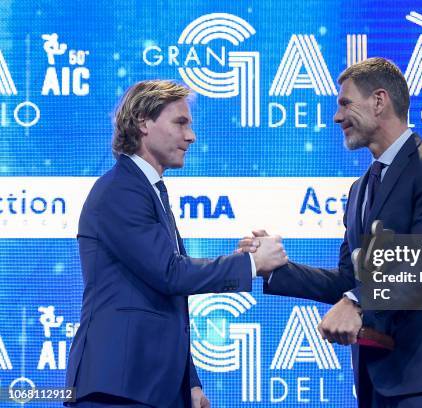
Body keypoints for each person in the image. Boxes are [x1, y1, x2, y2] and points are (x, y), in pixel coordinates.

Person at [240, 58, 422, 407]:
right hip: (378, 378)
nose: (337, 117)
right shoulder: (359, 189)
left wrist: (357, 302)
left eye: (345, 103)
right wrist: (276, 269)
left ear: (379, 100)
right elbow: (349, 279)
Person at [65, 80, 288, 407]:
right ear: (143, 122)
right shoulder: (121, 190)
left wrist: (190, 382)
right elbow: (170, 273)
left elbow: (165, 302)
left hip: (148, 387)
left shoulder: (148, 191)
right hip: (118, 389)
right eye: (180, 123)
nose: (191, 136)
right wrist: (251, 263)